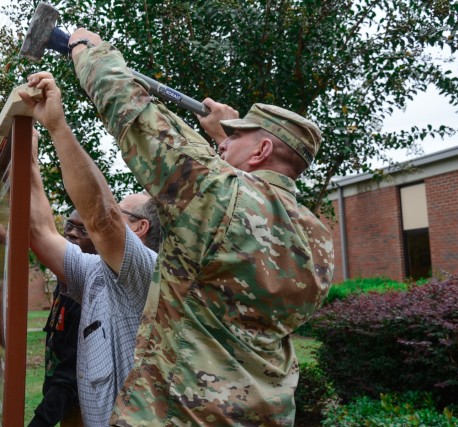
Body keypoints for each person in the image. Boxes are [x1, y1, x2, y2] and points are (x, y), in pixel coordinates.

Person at [58, 29, 336, 425]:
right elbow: (241, 202)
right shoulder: (317, 240)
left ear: (261, 151)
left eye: (239, 137)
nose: (224, 144)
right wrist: (227, 134)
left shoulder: (217, 194)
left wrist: (85, 47)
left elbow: (129, 108)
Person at [16, 96, 160, 425]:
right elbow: (39, 232)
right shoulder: (95, 271)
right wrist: (29, 158)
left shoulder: (148, 272)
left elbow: (102, 220)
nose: (112, 213)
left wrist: (57, 125)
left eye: (121, 209)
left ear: (140, 227)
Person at [28, 211, 93, 427]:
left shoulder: (87, 296)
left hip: (85, 409)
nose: (72, 233)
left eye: (83, 229)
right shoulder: (63, 286)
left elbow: (71, 375)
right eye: (69, 226)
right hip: (67, 408)